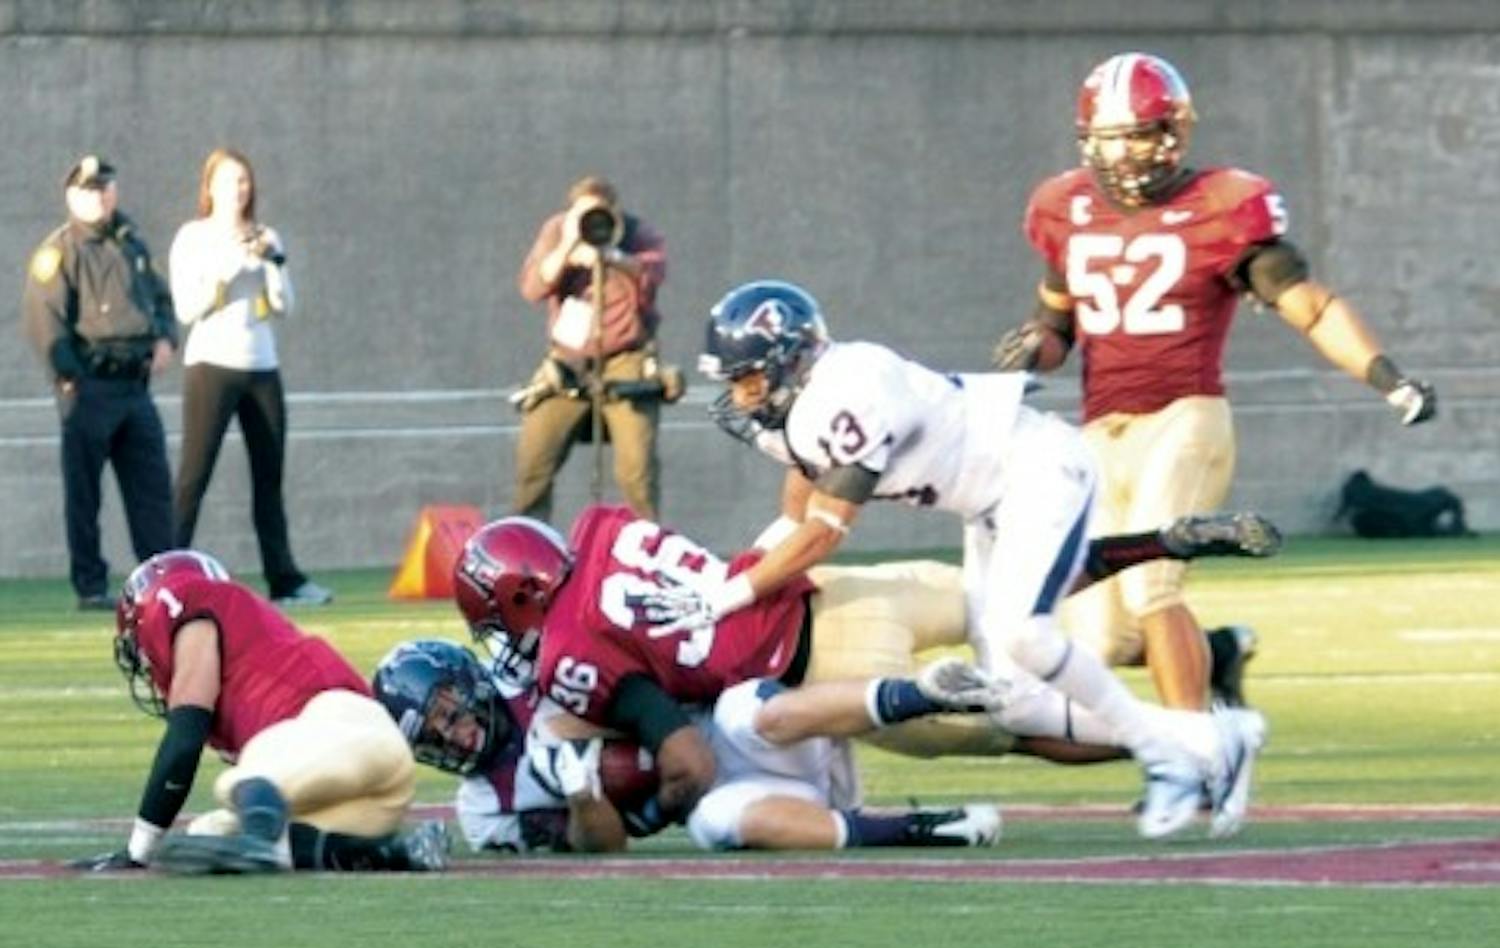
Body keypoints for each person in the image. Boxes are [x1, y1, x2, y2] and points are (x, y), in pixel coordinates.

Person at [653, 279, 1273, 840]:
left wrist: (728, 597)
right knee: (1015, 703)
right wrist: (732, 576)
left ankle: (1166, 755)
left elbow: (824, 532)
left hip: (1036, 469)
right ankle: (1211, 737)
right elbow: (796, 514)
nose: (739, 397)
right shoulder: (797, 415)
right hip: (989, 504)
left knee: (1025, 633)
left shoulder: (849, 389)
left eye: (749, 379)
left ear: (793, 361)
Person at [991, 52, 1437, 711]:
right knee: (1103, 636)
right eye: (1110, 138)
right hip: (1100, 433)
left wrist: (1387, 377)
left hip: (1184, 416)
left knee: (1152, 588)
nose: (1124, 154)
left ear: (1174, 132)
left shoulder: (1220, 206)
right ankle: (1219, 654)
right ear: (1087, 140)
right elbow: (1057, 325)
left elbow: (1310, 308)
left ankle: (1194, 744)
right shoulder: (1065, 208)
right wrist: (1034, 347)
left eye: (1138, 135)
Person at [451, 501, 1277, 839]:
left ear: (522, 596)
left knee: (1016, 732)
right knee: (1014, 596)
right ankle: (1161, 542)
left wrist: (651, 814)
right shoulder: (603, 527)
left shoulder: (570, 652)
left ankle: (1198, 744)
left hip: (818, 668)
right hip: (832, 587)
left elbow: (690, 762)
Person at [372, 637, 1005, 854]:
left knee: (739, 712)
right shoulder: (483, 811)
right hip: (743, 796)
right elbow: (604, 847)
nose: (453, 735)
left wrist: (591, 731)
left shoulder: (533, 669)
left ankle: (923, 693)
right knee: (712, 825)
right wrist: (581, 791)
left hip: (753, 733)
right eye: (433, 738)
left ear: (467, 680)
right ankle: (918, 829)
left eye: (447, 713)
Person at [69, 550, 446, 874]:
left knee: (239, 782)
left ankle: (263, 840)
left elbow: (185, 739)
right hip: (374, 790)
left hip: (338, 729)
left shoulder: (185, 600)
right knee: (211, 834)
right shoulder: (246, 631)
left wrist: (139, 849)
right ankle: (389, 852)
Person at [168, 148, 331, 607]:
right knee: (194, 475)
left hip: (261, 366)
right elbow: (187, 309)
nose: (237, 190)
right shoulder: (193, 237)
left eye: (243, 181)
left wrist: (273, 264)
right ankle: (166, 568)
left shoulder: (265, 234)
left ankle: (285, 578)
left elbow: (285, 305)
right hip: (211, 365)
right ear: (210, 187)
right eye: (228, 181)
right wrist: (231, 266)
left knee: (269, 476)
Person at [21, 155, 176, 611]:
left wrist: (166, 337)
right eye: (89, 189)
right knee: (85, 493)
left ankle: (162, 581)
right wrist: (70, 377)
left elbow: (161, 300)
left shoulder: (132, 243)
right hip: (90, 385)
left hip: (135, 386)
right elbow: (44, 320)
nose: (100, 196)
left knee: (152, 491)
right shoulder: (59, 252)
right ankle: (90, 585)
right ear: (72, 196)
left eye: (105, 187)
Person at [512, 175, 673, 521]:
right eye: (583, 214)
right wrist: (568, 249)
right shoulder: (557, 230)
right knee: (534, 464)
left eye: (599, 214)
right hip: (568, 361)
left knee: (637, 471)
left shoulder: (637, 234)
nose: (592, 223)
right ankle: (530, 538)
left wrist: (609, 256)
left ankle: (645, 540)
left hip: (626, 358)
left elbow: (651, 276)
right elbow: (532, 287)